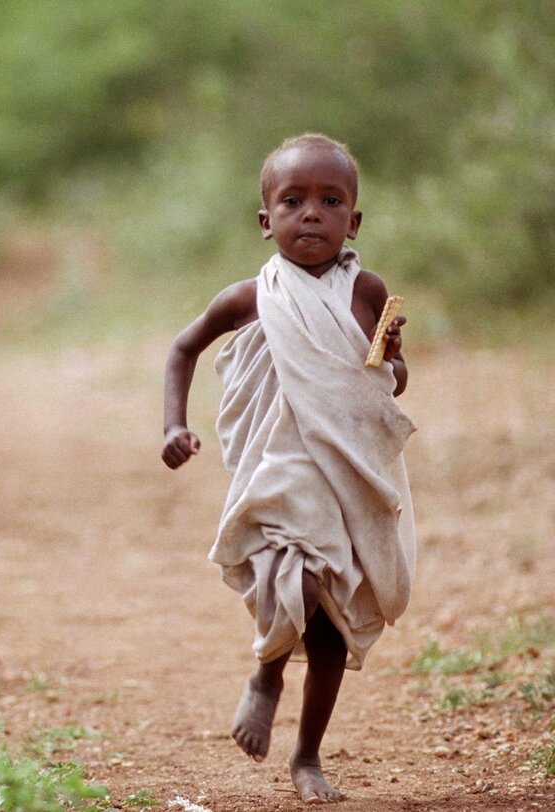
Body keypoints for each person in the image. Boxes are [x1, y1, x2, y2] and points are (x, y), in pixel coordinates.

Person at [161, 134, 415, 803]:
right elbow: (183, 348)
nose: (312, 214)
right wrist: (173, 424)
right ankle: (269, 673)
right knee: (296, 583)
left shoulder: (368, 293)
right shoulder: (248, 297)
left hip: (345, 478)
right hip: (279, 471)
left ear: (353, 222)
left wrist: (391, 356)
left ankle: (307, 756)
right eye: (293, 200)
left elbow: (386, 387)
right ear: (265, 219)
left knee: (331, 631)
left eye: (330, 202)